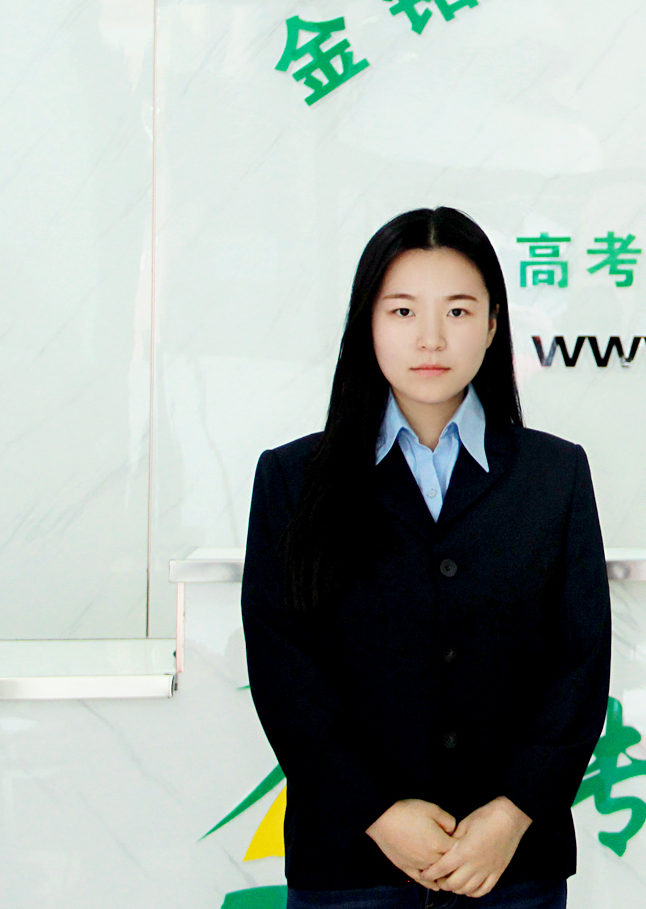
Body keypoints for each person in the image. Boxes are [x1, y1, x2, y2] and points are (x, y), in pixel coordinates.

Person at [242, 207, 611, 908]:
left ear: (494, 325)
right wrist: (379, 813)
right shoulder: (293, 480)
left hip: (510, 866)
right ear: (368, 323)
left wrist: (511, 814)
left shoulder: (555, 475)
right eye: (404, 310)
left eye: (459, 311)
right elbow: (284, 668)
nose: (431, 337)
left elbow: (581, 660)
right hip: (350, 864)